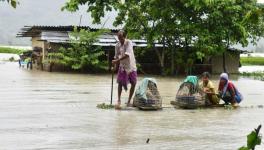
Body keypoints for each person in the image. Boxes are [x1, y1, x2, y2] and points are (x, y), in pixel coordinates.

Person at [112, 30, 137, 108]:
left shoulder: (129, 42)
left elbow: (127, 55)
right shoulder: (117, 45)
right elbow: (116, 56)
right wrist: (115, 66)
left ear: (125, 37)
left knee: (134, 83)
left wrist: (117, 61)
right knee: (119, 83)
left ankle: (129, 101)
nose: (120, 40)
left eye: (121, 38)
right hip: (122, 66)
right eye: (118, 38)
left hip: (131, 66)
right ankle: (119, 100)